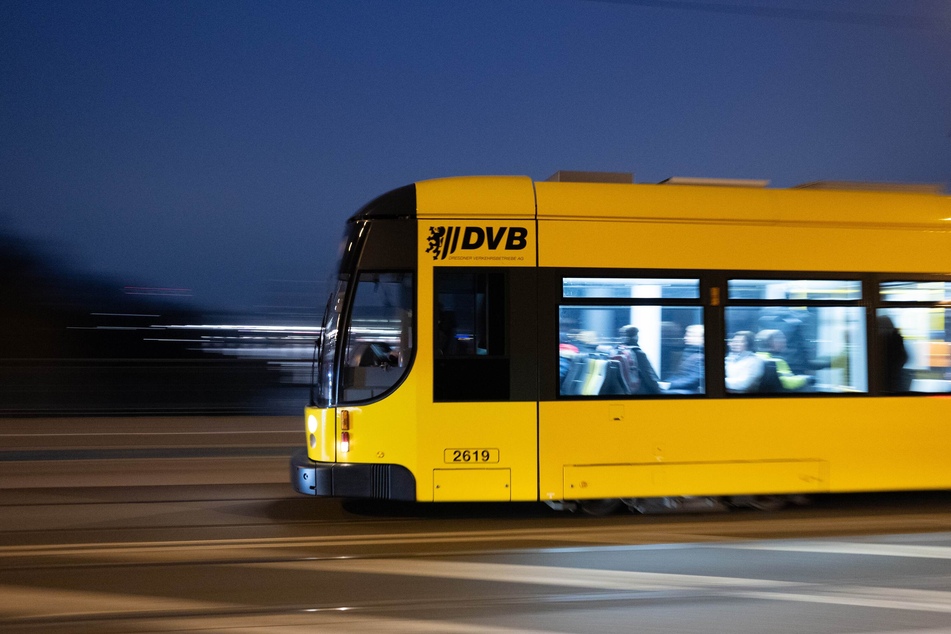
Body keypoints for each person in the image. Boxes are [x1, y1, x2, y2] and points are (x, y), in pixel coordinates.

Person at [619, 325, 662, 394]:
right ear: (636, 337)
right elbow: (649, 377)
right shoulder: (638, 353)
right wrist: (659, 391)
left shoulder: (616, 351)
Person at [665, 324, 705, 393]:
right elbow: (679, 375)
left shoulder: (700, 356)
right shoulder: (689, 352)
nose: (685, 338)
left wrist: (670, 385)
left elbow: (694, 379)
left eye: (690, 335)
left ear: (701, 338)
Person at [878, 315, 910, 392]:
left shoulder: (879, 340)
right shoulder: (896, 337)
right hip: (896, 380)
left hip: (887, 382)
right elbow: (904, 358)